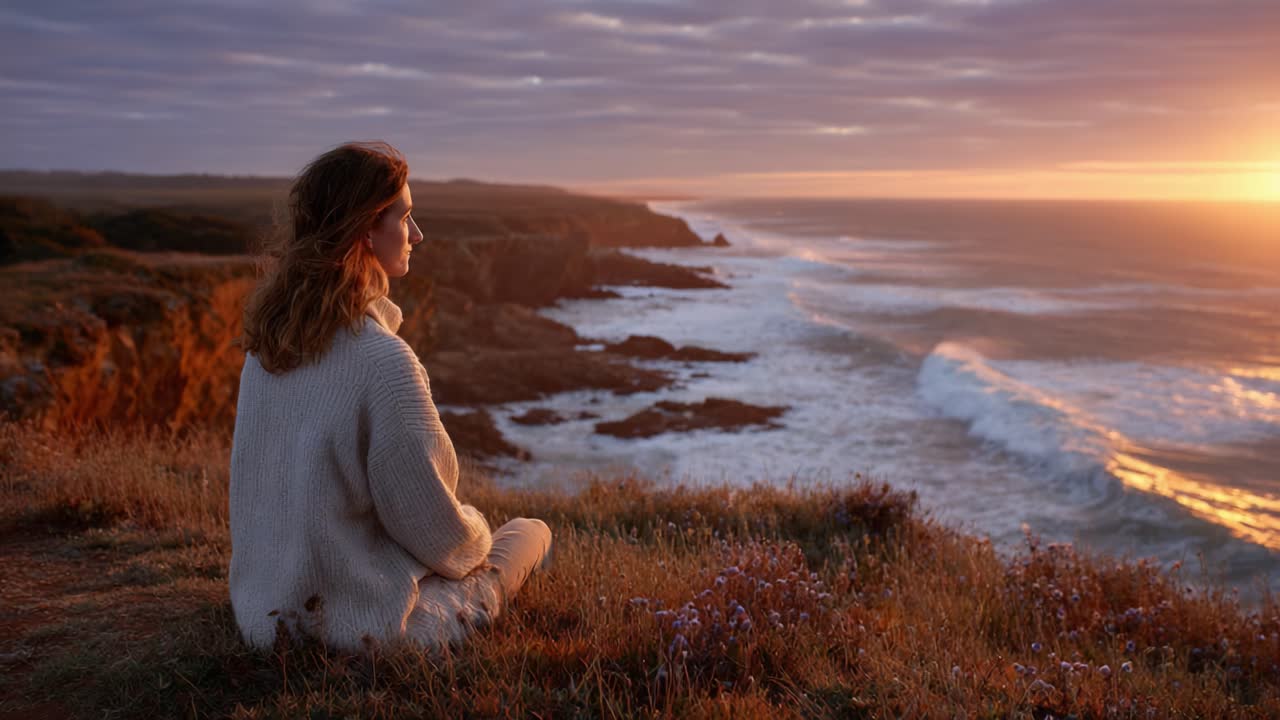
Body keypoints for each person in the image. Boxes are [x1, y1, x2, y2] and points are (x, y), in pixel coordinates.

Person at [228, 140, 551, 654]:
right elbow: (442, 541)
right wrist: (476, 527)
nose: (417, 234)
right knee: (530, 533)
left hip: (265, 621)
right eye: (404, 216)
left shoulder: (267, 348)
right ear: (364, 231)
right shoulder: (383, 363)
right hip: (364, 633)